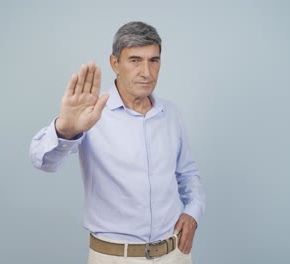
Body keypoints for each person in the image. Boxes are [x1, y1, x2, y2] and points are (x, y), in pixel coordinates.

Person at [29, 21, 205, 263]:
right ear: (115, 64)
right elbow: (42, 160)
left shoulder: (171, 114)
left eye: (154, 60)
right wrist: (66, 129)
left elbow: (187, 173)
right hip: (115, 257)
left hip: (174, 255)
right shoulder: (90, 114)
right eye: (135, 60)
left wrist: (192, 212)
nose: (146, 72)